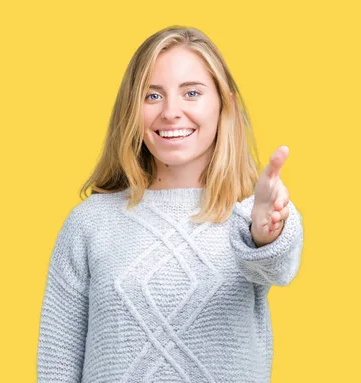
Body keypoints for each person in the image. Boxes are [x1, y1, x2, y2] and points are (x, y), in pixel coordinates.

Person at [36, 25, 304, 383]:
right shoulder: (90, 223)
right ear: (131, 110)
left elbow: (276, 266)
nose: (171, 112)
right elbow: (58, 361)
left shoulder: (251, 215)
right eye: (152, 96)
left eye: (192, 93)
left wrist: (266, 232)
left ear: (225, 104)